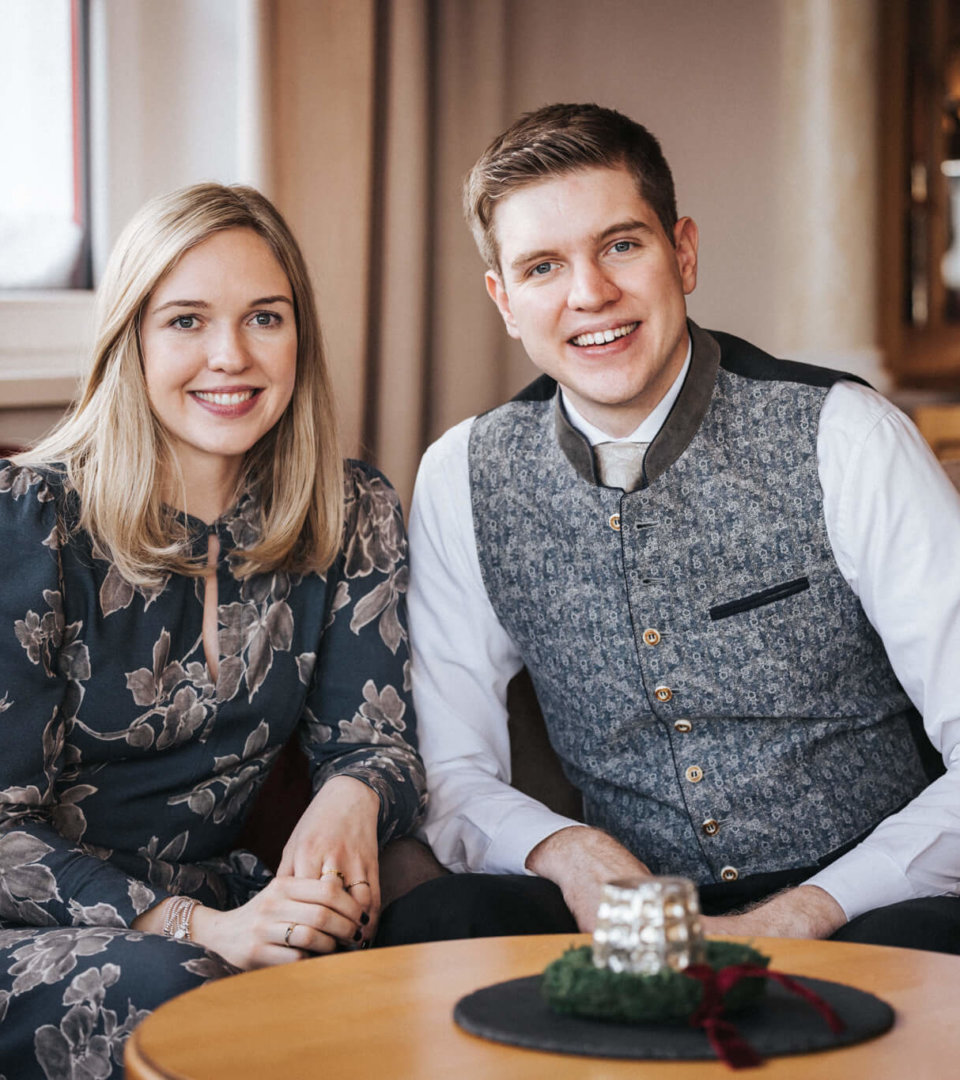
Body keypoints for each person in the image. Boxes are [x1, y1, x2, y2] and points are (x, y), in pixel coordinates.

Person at [396, 103, 960, 951]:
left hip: (870, 904)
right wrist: (570, 852)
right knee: (443, 923)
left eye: (621, 245)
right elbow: (453, 771)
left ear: (683, 253)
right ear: (504, 301)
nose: (590, 294)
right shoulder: (462, 475)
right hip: (626, 919)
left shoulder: (847, 435)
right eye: (543, 267)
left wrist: (805, 912)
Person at [0, 183, 425, 1077]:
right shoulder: (27, 520)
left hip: (232, 908)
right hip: (40, 931)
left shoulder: (349, 510)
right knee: (190, 994)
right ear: (131, 339)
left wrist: (351, 796)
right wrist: (199, 929)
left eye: (264, 318)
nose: (230, 356)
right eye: (186, 321)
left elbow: (377, 743)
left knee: (429, 947)